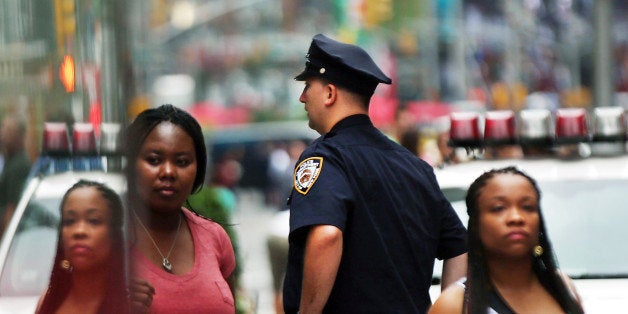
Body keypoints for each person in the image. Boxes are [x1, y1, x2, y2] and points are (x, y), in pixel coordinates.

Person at [283, 33, 468, 313]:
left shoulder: (325, 157)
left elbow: (327, 235)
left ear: (330, 94)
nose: (302, 97)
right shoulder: (415, 167)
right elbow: (459, 248)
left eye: (308, 86)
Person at [125, 104, 236, 313]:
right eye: (154, 160)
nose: (168, 172)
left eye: (182, 161)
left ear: (198, 168)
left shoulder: (214, 237)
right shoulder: (103, 241)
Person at [429, 167, 584, 314]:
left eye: (527, 207)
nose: (516, 218)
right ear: (476, 224)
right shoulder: (455, 303)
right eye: (499, 208)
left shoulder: (562, 286)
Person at [36, 180, 153, 314]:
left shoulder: (133, 301)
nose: (79, 231)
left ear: (114, 234)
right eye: (70, 221)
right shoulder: (49, 300)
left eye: (93, 220)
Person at [0, 114, 32, 237]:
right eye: (3, 128)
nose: (3, 134)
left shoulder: (20, 165)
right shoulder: (10, 160)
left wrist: (5, 240)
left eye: (8, 131)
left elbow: (12, 207)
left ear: (20, 136)